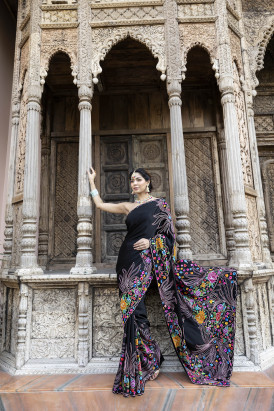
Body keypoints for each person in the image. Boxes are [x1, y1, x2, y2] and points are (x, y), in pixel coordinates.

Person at [87, 167, 237, 397]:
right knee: (133, 313)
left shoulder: (159, 205)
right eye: (131, 181)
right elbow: (99, 204)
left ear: (148, 182)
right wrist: (92, 182)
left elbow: (169, 237)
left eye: (138, 180)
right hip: (127, 262)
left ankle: (153, 358)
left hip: (149, 260)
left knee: (143, 309)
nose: (134, 183)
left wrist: (151, 242)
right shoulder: (129, 206)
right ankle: (149, 358)